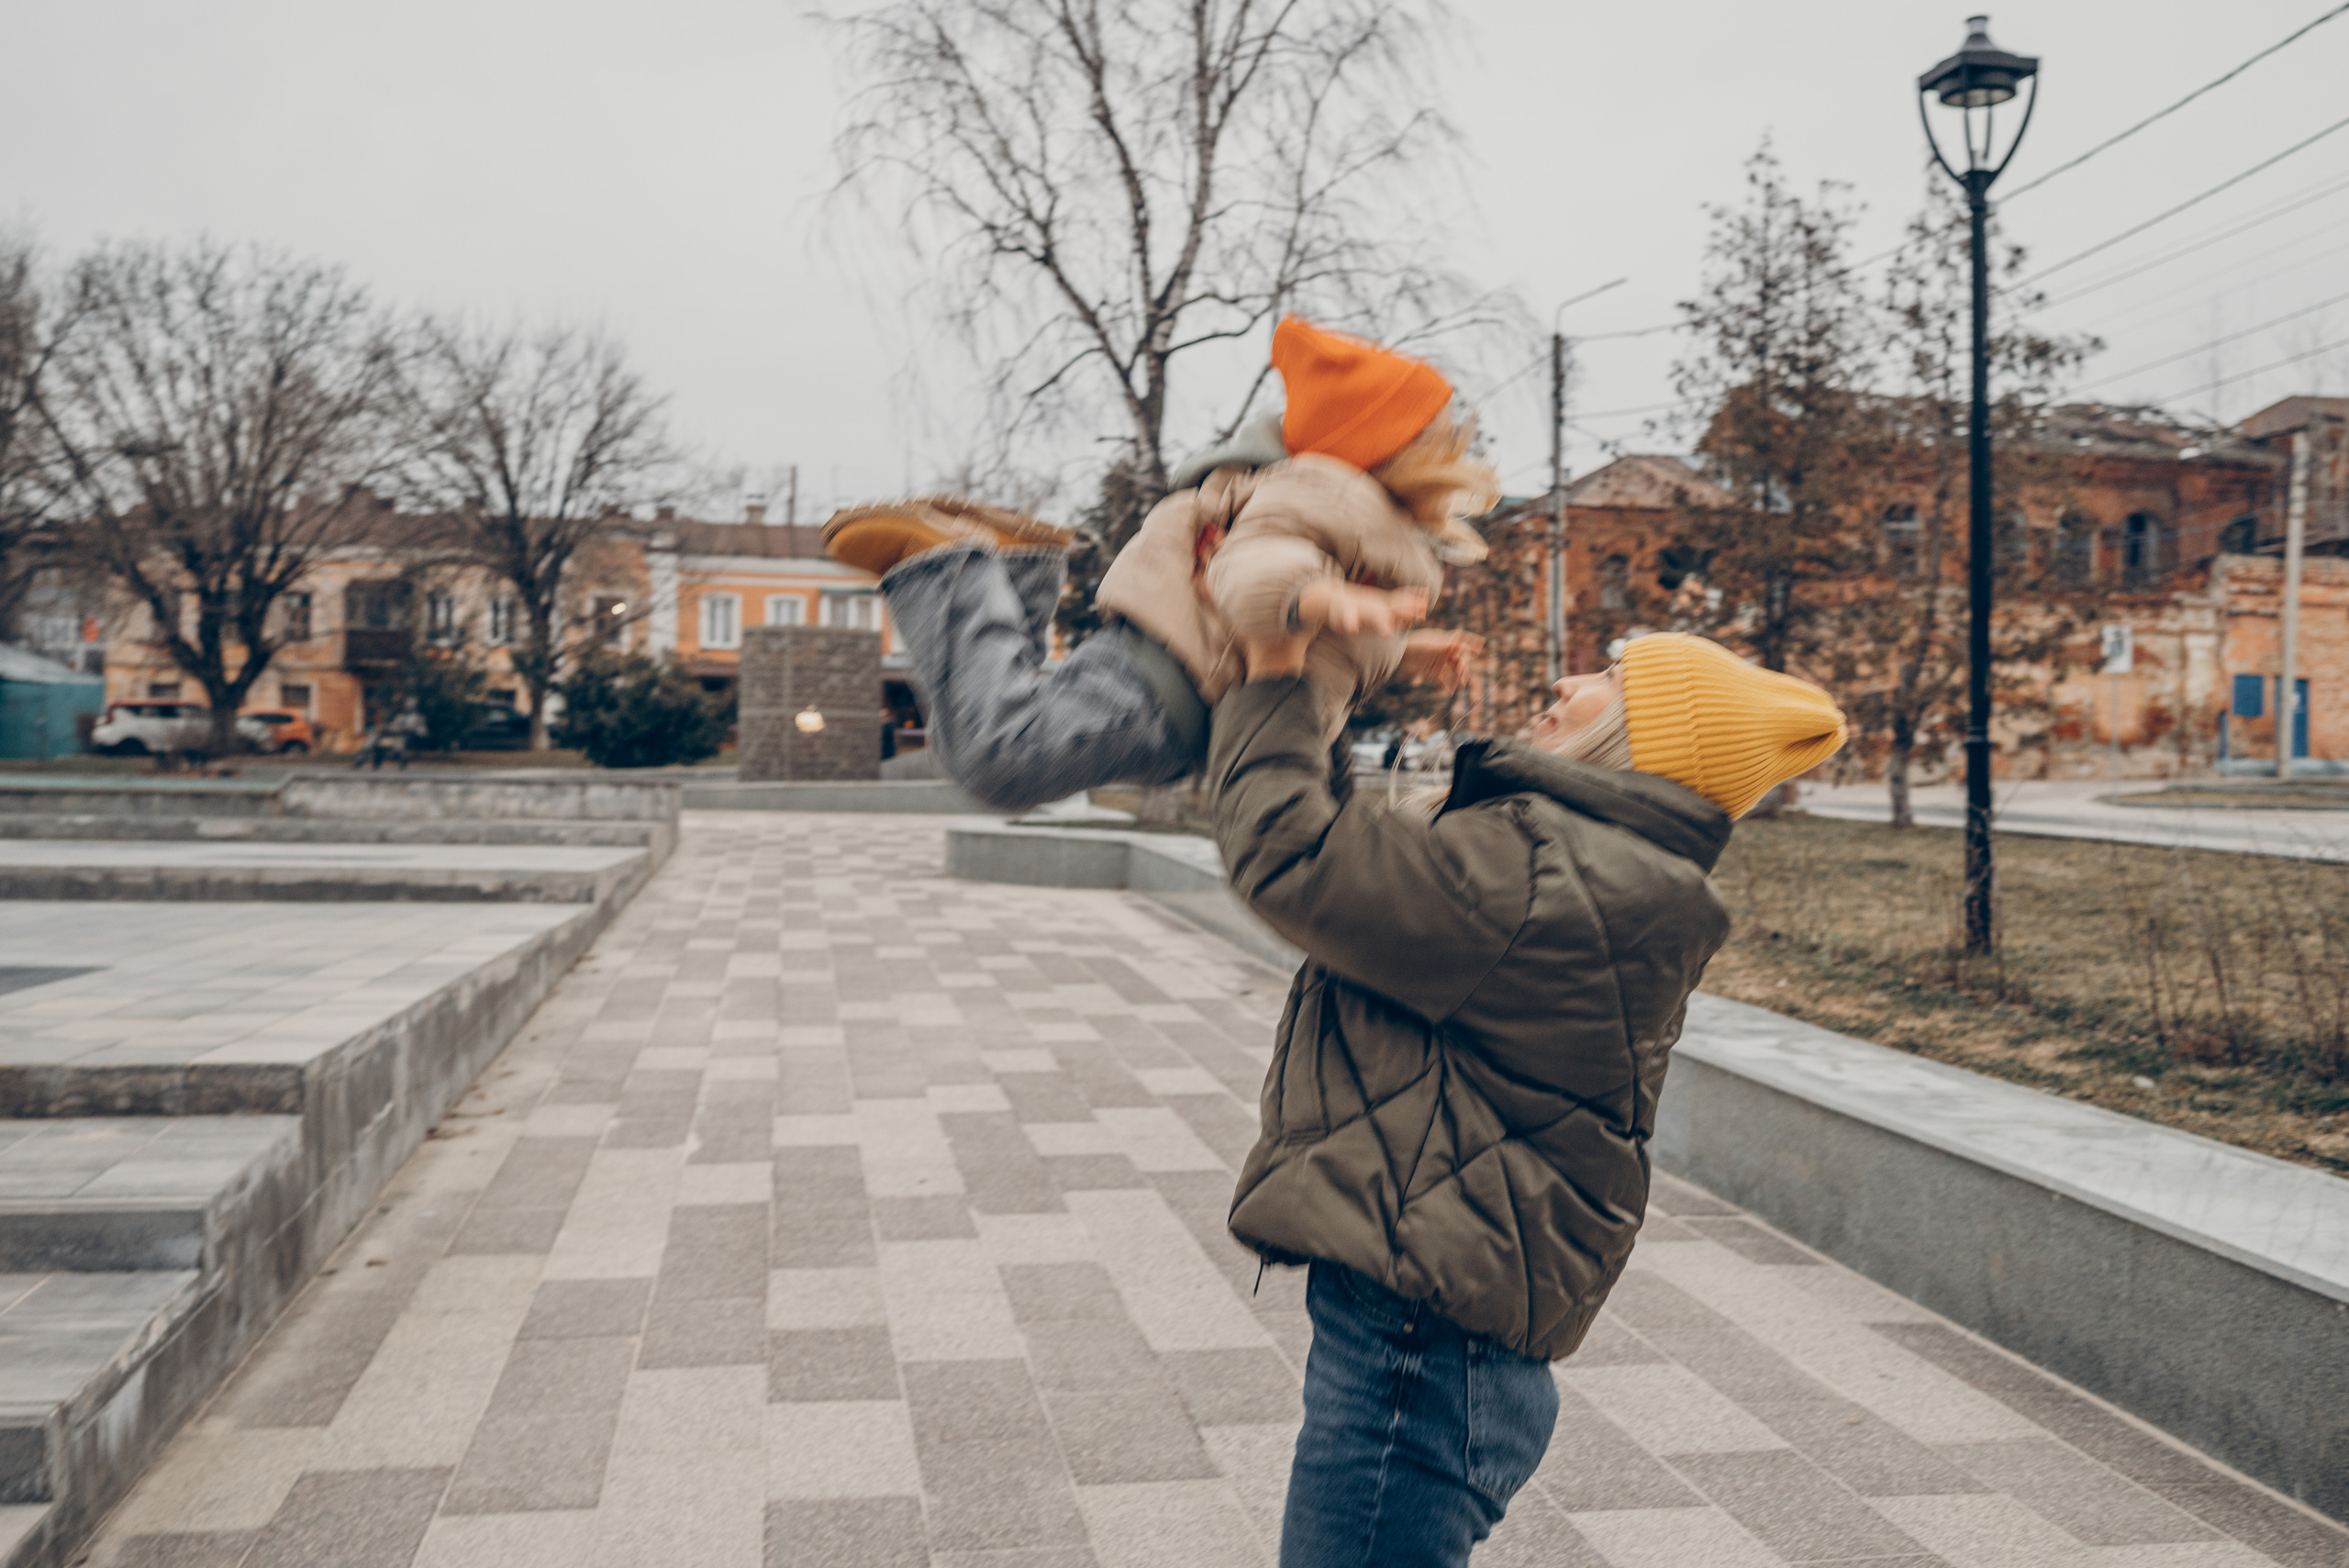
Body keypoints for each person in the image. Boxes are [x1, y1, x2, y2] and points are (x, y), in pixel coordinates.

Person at [1208, 630, 1846, 1567]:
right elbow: (1342, 840)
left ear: (1647, 739)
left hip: (1422, 1344)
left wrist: (1281, 665)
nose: (1566, 678)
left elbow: (1294, 853)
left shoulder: (1555, 873)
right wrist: (1334, 664)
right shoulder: (1581, 862)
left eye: (1608, 678)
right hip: (1433, 1332)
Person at [818, 317, 1492, 812]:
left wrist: (1404, 644)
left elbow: (1318, 630)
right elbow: (1257, 571)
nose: (1457, 462)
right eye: (1441, 444)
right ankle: (952, 566)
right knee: (996, 762)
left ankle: (1018, 566)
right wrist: (1329, 598)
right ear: (1384, 451)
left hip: (1159, 672)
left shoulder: (1339, 505)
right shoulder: (1333, 494)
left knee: (976, 728)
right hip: (1165, 694)